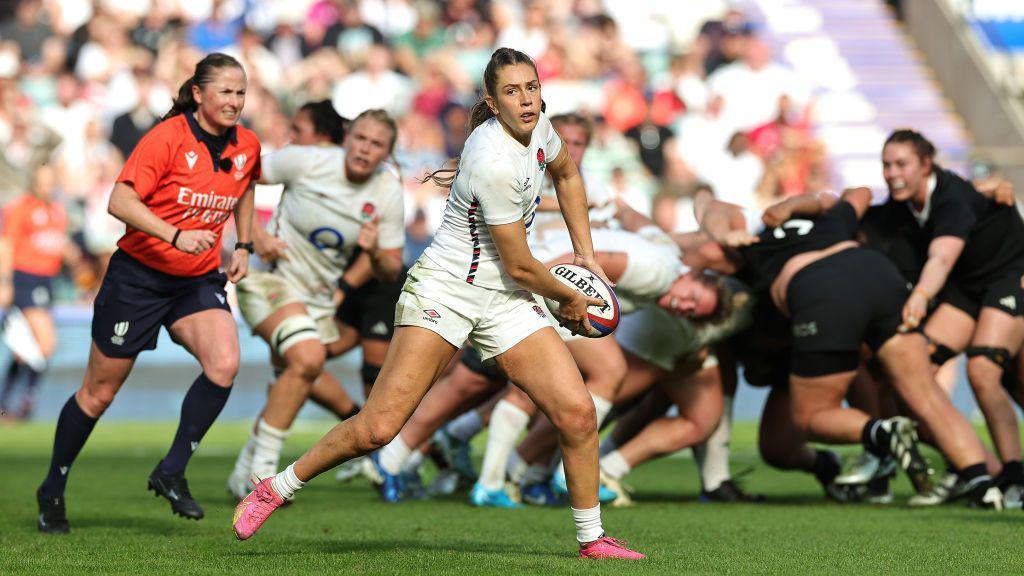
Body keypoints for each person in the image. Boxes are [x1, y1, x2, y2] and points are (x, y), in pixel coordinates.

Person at [232, 47, 644, 560]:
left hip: (505, 298)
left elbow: (567, 175)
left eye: (532, 87)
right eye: (512, 91)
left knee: (578, 414)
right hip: (445, 290)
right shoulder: (492, 158)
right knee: (378, 428)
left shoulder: (542, 129)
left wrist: (585, 255)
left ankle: (591, 539)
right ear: (491, 103)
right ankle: (277, 486)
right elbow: (519, 263)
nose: (526, 100)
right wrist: (571, 295)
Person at [35, 53, 260, 534]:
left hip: (195, 280)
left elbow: (245, 187)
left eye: (241, 92)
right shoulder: (168, 137)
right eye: (225, 91)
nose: (235, 102)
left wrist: (244, 243)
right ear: (198, 94)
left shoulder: (247, 144)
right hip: (138, 278)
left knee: (224, 364)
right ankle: (52, 487)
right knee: (98, 394)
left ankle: (172, 469)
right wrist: (175, 235)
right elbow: (119, 199)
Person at [695, 190, 1001, 508]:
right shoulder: (830, 220)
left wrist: (726, 233)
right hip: (876, 274)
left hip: (820, 293)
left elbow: (706, 206)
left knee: (810, 417)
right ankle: (983, 485)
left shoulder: (750, 244)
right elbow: (858, 194)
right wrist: (795, 204)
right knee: (926, 394)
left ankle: (882, 433)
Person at [227, 103, 405, 499]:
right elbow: (236, 176)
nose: (364, 148)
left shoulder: (387, 191)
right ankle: (262, 477)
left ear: (386, 154)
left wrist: (374, 253)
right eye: (359, 138)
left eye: (376, 144)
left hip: (319, 303)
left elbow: (391, 268)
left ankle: (241, 474)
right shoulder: (306, 161)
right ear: (346, 139)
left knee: (293, 378)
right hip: (270, 283)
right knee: (306, 360)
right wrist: (254, 234)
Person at [864, 130, 1024, 506]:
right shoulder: (899, 208)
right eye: (886, 165)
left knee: (983, 371)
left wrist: (920, 296)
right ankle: (976, 471)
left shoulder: (952, 196)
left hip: (1009, 276)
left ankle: (1016, 479)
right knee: (912, 373)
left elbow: (941, 259)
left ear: (926, 164)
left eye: (901, 163)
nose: (891, 173)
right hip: (967, 291)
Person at [0, 165, 71, 420]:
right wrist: (5, 282)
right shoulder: (21, 208)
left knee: (23, 352)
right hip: (24, 278)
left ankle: (6, 405)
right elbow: (6, 244)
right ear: (33, 182)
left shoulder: (57, 210)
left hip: (46, 280)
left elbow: (55, 245)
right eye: (43, 182)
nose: (47, 187)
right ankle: (26, 403)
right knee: (45, 344)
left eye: (51, 182)